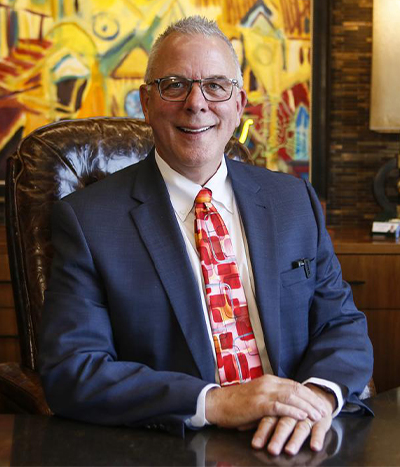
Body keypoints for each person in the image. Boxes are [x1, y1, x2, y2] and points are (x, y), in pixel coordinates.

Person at [39, 16, 373, 457]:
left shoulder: (294, 201)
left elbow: (341, 324)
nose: (197, 103)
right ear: (145, 102)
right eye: (174, 84)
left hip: (298, 442)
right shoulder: (88, 221)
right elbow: (73, 371)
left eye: (216, 85)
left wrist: (316, 398)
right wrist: (215, 402)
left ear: (239, 104)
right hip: (174, 446)